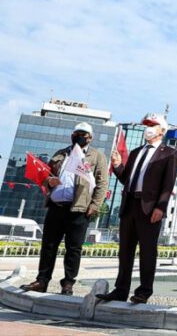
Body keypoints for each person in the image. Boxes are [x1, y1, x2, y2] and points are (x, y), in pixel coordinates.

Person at [97, 114, 177, 304]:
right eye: (146, 125)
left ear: (162, 130)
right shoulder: (135, 152)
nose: (148, 128)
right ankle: (121, 289)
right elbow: (127, 179)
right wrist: (118, 166)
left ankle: (143, 291)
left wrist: (161, 207)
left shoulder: (169, 153)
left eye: (152, 125)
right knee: (125, 250)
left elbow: (168, 183)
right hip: (130, 204)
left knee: (147, 251)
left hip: (149, 208)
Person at [20, 123, 108, 296]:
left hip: (79, 209)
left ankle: (68, 283)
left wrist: (94, 205)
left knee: (73, 249)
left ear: (90, 137)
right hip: (56, 207)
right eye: (75, 133)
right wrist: (48, 181)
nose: (77, 136)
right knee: (48, 246)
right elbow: (46, 176)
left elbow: (102, 183)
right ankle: (42, 280)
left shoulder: (96, 156)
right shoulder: (60, 153)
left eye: (82, 134)